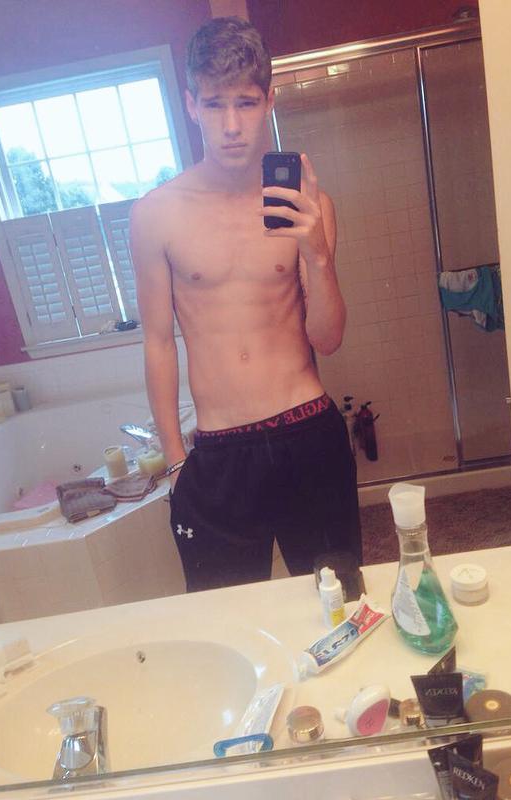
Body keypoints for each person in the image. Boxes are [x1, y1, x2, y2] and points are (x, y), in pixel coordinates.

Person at [130, 16, 362, 591]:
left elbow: (328, 338)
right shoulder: (156, 214)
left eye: (246, 103)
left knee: (337, 605)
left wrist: (317, 254)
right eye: (214, 104)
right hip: (217, 455)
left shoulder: (308, 204)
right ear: (191, 104)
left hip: (308, 433)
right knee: (224, 618)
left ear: (269, 101)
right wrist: (177, 461)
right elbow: (158, 342)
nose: (231, 125)